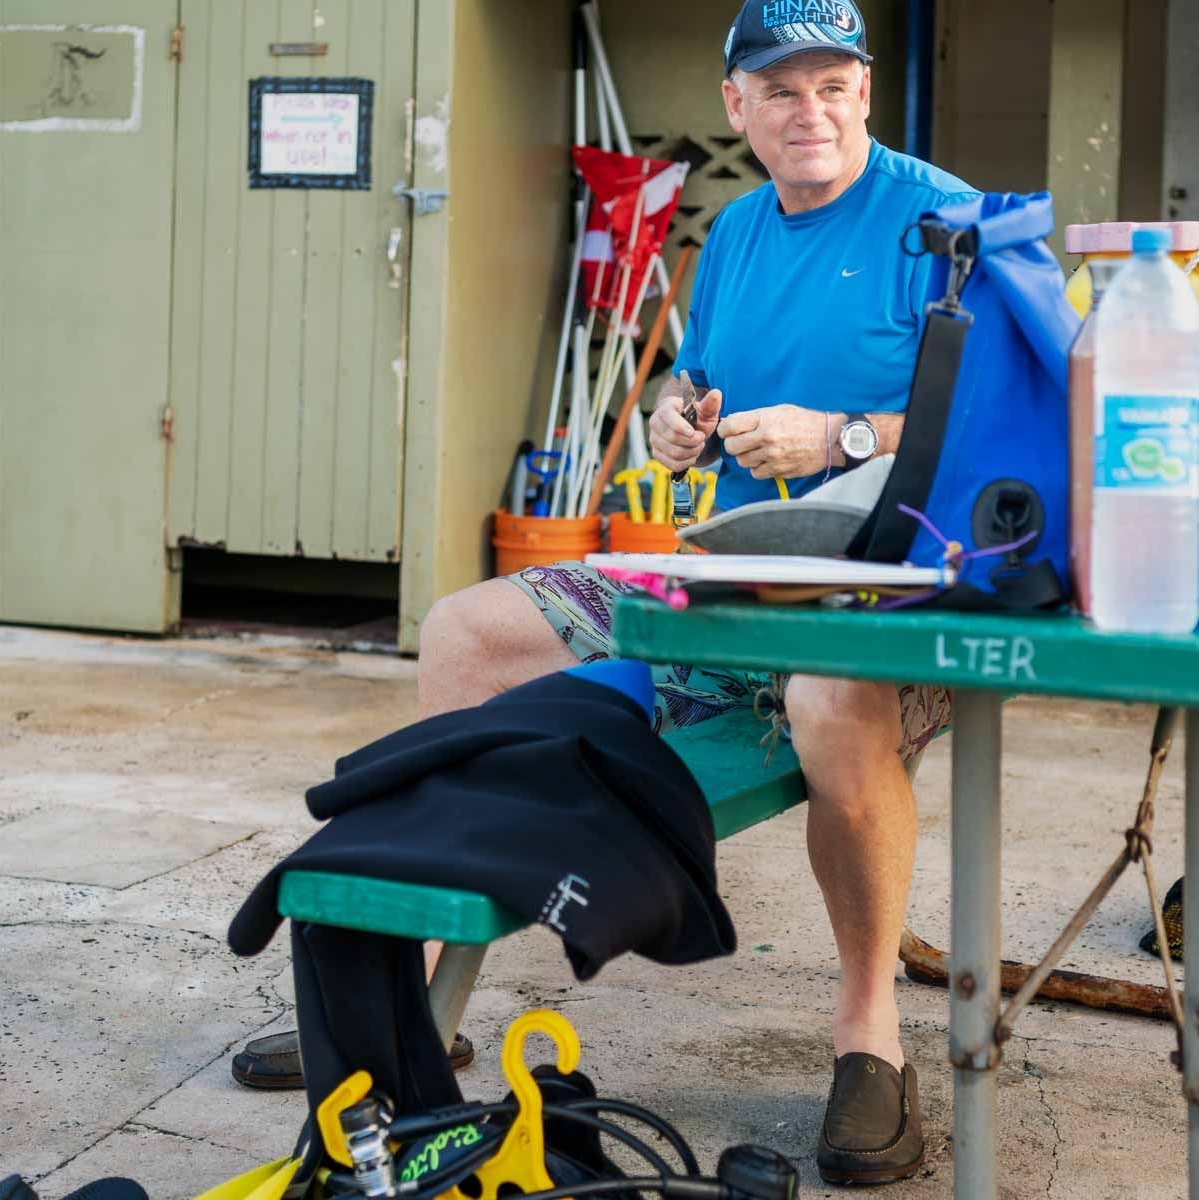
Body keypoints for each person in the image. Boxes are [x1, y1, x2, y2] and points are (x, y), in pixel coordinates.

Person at [238, 1, 975, 1186]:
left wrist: (845, 434)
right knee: (464, 630)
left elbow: (1003, 433)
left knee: (834, 704)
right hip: (733, 562)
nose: (811, 111)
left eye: (834, 85)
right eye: (780, 90)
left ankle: (867, 1032)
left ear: (868, 93)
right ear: (736, 105)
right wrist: (681, 419)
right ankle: (425, 987)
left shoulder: (948, 223)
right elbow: (700, 379)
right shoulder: (734, 229)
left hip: (895, 578)